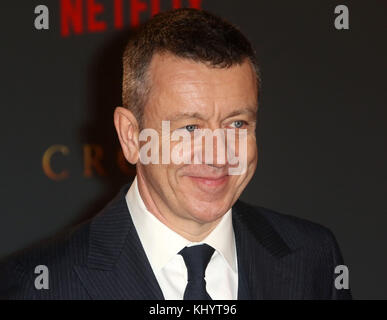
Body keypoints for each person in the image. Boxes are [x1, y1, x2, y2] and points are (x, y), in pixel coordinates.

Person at [0, 8, 351, 300]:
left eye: (237, 124)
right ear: (131, 136)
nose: (218, 155)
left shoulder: (314, 259)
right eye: (189, 128)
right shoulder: (37, 285)